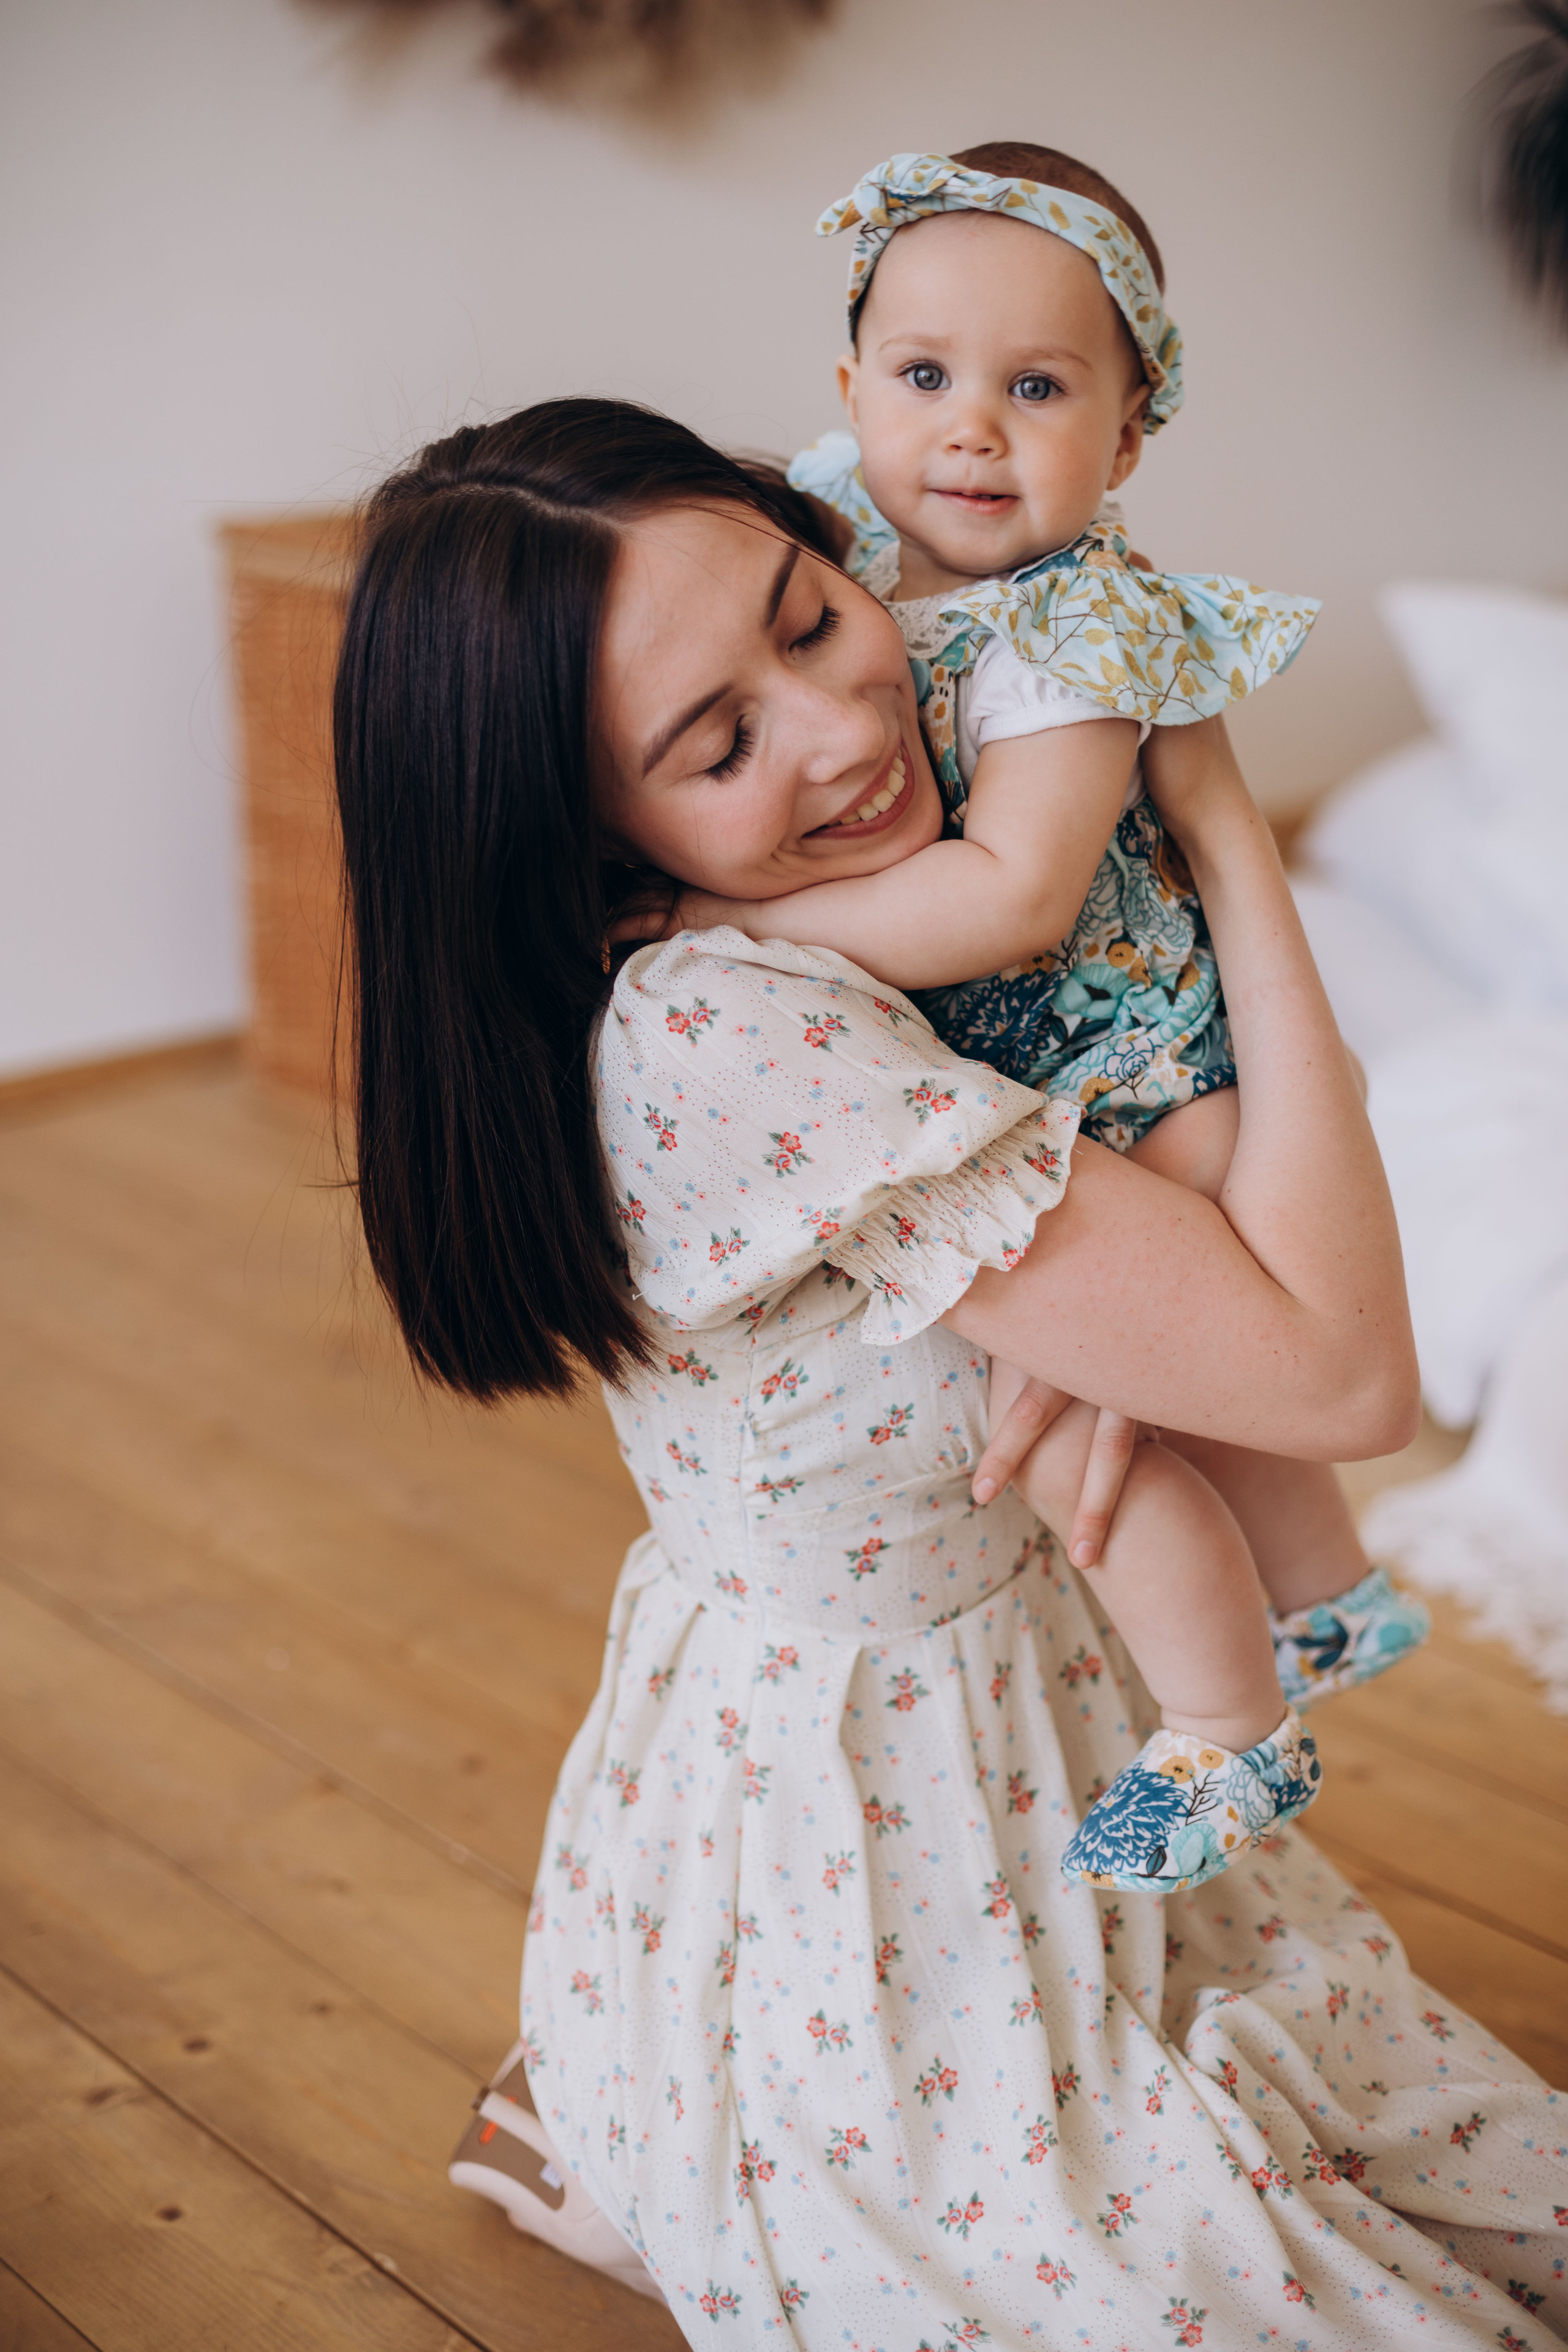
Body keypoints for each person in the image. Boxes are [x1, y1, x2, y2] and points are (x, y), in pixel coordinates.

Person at [333, 399, 1567, 2345]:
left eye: (813, 619)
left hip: (933, 1706)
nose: (842, 732)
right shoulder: (730, 1028)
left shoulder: (745, 922)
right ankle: (677, 2132)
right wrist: (1235, 839)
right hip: (884, 1804)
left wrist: (1103, 1337)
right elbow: (1344, 1387)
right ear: (571, 837)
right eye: (717, 746)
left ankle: (636, 2101)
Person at [620, 143, 1428, 1891]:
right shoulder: (855, 581)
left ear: (1129, 441)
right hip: (1027, 1088)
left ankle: (1235, 1715)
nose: (972, 429)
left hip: (1140, 1067)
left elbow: (1013, 899)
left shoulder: (1080, 628)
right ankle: (1325, 1606)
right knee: (1103, 1417)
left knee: (1180, 1401)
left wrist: (724, 908)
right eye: (925, 378)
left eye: (1037, 387)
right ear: (849, 389)